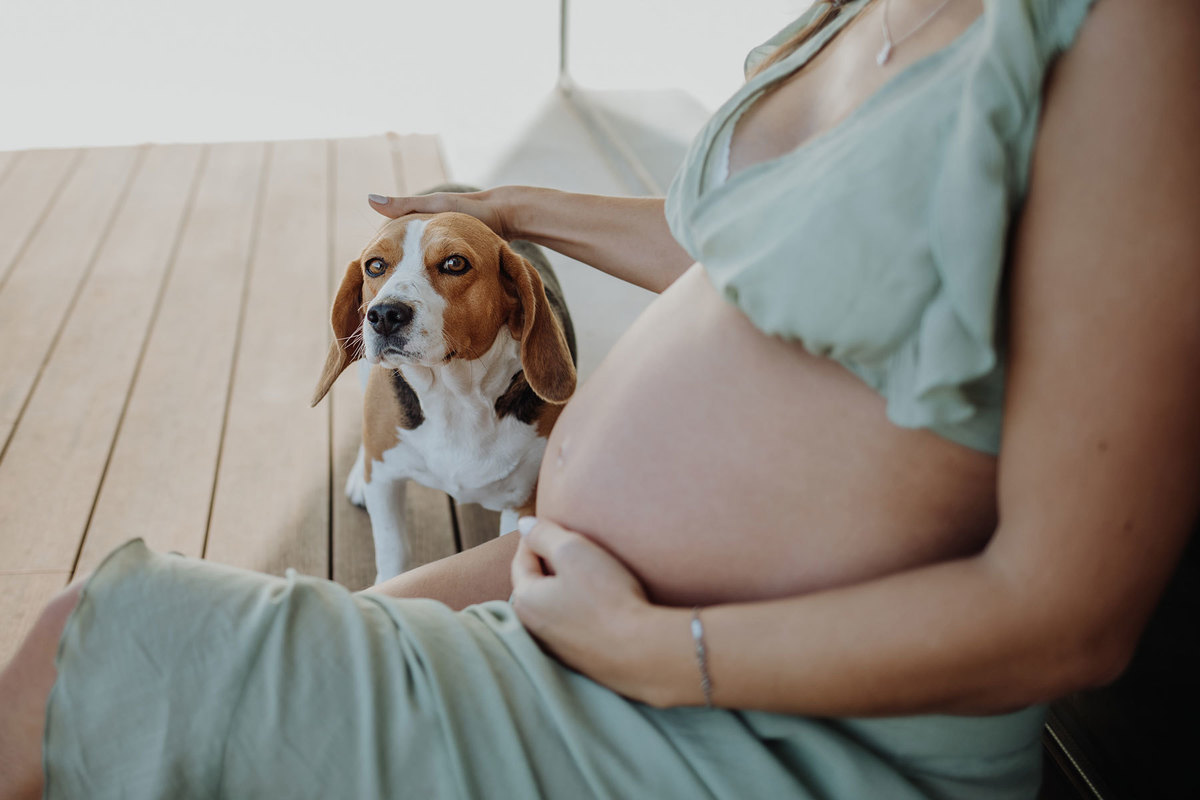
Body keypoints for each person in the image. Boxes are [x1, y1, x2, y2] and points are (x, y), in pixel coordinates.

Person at [3, 0, 1198, 797]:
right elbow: (749, 249)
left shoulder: (1126, 30)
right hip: (580, 609)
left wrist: (668, 650)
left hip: (768, 722)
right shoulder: (859, 11)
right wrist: (511, 207)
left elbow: (1069, 611)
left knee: (97, 647)